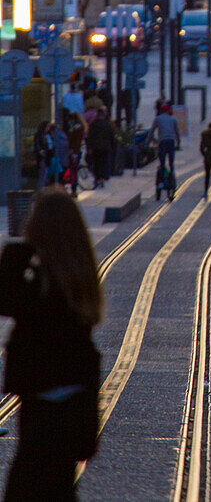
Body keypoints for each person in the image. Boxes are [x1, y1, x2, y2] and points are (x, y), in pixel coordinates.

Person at [0, 188, 103, 500]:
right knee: (59, 487)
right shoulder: (80, 275)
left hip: (43, 403)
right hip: (75, 402)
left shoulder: (41, 280)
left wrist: (17, 249)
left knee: (26, 488)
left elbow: (5, 298)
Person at [86, 107, 114, 189]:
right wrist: (112, 145)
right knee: (104, 163)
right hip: (105, 147)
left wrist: (89, 147)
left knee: (96, 163)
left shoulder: (93, 124)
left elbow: (89, 136)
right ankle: (102, 179)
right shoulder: (108, 124)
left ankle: (96, 178)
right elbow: (111, 136)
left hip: (95, 147)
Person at [150, 102, 181, 173]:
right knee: (171, 162)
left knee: (162, 161)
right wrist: (178, 143)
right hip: (171, 141)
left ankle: (163, 176)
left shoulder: (157, 119)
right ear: (168, 110)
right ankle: (172, 176)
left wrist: (151, 141)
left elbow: (151, 131)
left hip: (162, 141)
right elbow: (177, 133)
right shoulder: (173, 119)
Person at [33, 122, 52, 190]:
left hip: (48, 157)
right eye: (47, 127)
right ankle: (41, 190)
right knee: (42, 175)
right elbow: (37, 144)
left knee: (46, 175)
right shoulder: (39, 135)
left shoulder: (48, 135)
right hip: (42, 157)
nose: (48, 129)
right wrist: (40, 151)